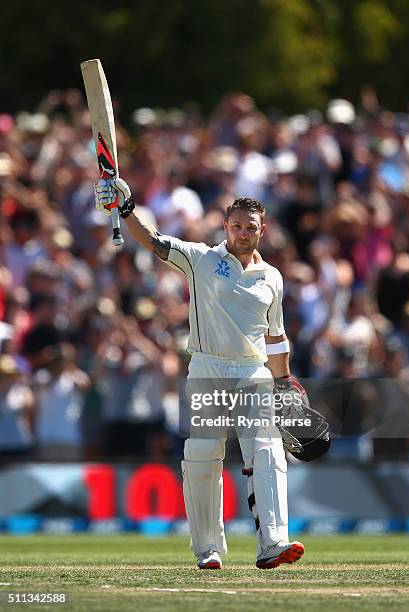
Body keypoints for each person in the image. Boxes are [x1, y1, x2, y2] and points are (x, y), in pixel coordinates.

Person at [95, 178, 330, 570]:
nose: (243, 232)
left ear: (262, 230)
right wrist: (127, 208)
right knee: (204, 456)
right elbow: (153, 240)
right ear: (225, 227)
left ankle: (273, 542)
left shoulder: (272, 276)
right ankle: (208, 549)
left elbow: (275, 336)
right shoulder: (201, 259)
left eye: (250, 227)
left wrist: (285, 381)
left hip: (253, 371)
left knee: (268, 449)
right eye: (236, 226)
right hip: (208, 367)